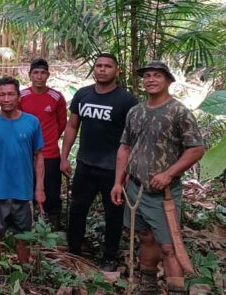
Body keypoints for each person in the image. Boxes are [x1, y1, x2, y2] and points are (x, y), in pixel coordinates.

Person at [109, 61, 205, 295]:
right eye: (147, 76)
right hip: (135, 187)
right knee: (145, 237)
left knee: (169, 246)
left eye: (157, 76)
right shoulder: (136, 111)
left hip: (164, 193)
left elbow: (196, 149)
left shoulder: (178, 111)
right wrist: (118, 182)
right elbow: (125, 148)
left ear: (169, 81)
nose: (151, 79)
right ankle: (148, 285)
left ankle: (176, 290)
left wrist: (168, 174)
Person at [60, 53, 138, 270]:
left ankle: (109, 257)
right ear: (94, 69)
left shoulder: (127, 100)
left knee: (113, 215)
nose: (102, 69)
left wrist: (126, 172)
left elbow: (132, 139)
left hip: (113, 170)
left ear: (117, 71)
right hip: (85, 165)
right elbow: (72, 126)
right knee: (76, 211)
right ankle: (74, 251)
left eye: (108, 66)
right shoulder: (83, 95)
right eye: (99, 66)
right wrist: (64, 156)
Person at [0, 76, 46, 272]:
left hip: (22, 190)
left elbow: (38, 156)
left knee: (22, 235)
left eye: (11, 94)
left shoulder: (31, 122)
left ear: (18, 96)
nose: (6, 99)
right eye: (2, 95)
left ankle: (24, 269)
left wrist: (39, 188)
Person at [19, 58, 68, 229]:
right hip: (25, 154)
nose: (39, 76)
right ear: (30, 75)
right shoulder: (21, 96)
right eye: (35, 73)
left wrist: (50, 138)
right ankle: (29, 225)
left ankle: (53, 227)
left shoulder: (56, 97)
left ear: (48, 75)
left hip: (50, 153)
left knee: (52, 193)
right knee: (27, 190)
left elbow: (62, 123)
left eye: (42, 73)